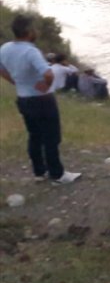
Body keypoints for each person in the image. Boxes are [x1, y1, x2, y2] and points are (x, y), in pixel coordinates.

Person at [0, 15, 81, 184]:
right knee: (51, 137)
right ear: (29, 32)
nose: (36, 31)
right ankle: (57, 174)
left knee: (34, 136)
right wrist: (46, 84)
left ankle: (39, 171)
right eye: (34, 28)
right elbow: (48, 73)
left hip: (23, 98)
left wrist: (14, 81)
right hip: (42, 100)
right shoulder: (31, 51)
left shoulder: (6, 48)